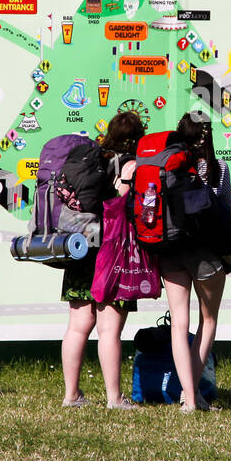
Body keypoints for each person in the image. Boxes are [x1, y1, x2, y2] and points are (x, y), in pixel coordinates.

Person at [60, 111, 146, 410]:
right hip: (113, 251)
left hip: (81, 247)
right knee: (109, 330)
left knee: (77, 325)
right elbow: (125, 205)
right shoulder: (131, 164)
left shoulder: (92, 157)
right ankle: (114, 398)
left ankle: (71, 395)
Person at [163, 111, 231, 413]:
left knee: (178, 324)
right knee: (207, 321)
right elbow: (230, 213)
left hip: (170, 251)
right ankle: (190, 394)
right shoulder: (219, 169)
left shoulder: (167, 167)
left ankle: (190, 401)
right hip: (207, 254)